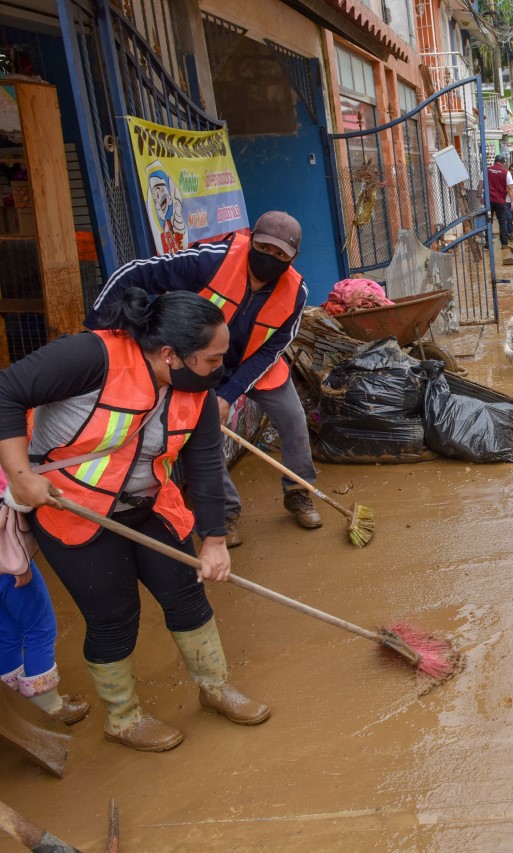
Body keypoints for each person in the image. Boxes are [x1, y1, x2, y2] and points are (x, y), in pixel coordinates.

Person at [0, 289, 270, 752]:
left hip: (149, 504)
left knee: (186, 594)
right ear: (170, 354)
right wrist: (20, 475)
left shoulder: (197, 392)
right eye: (211, 359)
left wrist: (214, 541)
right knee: (113, 616)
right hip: (74, 511)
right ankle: (122, 718)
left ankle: (215, 687)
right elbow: (6, 390)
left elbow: (205, 465)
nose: (218, 369)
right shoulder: (91, 356)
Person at [88, 212, 320, 547]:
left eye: (281, 254)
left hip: (253, 365)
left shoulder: (296, 293)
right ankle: (224, 512)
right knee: (198, 427)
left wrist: (228, 394)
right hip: (197, 362)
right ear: (251, 238)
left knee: (294, 418)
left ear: (293, 258)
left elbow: (270, 352)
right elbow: (135, 273)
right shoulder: (212, 261)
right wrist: (96, 331)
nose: (270, 258)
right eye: (264, 247)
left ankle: (299, 492)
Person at [1, 469, 89, 724]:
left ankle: (12, 701)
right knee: (39, 627)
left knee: (7, 632)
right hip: (9, 564)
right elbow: (15, 493)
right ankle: (48, 705)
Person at [487, 153, 513, 247]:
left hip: (489, 201)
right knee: (502, 222)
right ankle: (504, 244)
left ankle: (488, 242)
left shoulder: (487, 169)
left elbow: (481, 183)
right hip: (500, 201)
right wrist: (512, 203)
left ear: (495, 162)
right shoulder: (506, 172)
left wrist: (480, 196)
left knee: (488, 221)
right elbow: (511, 188)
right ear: (502, 163)